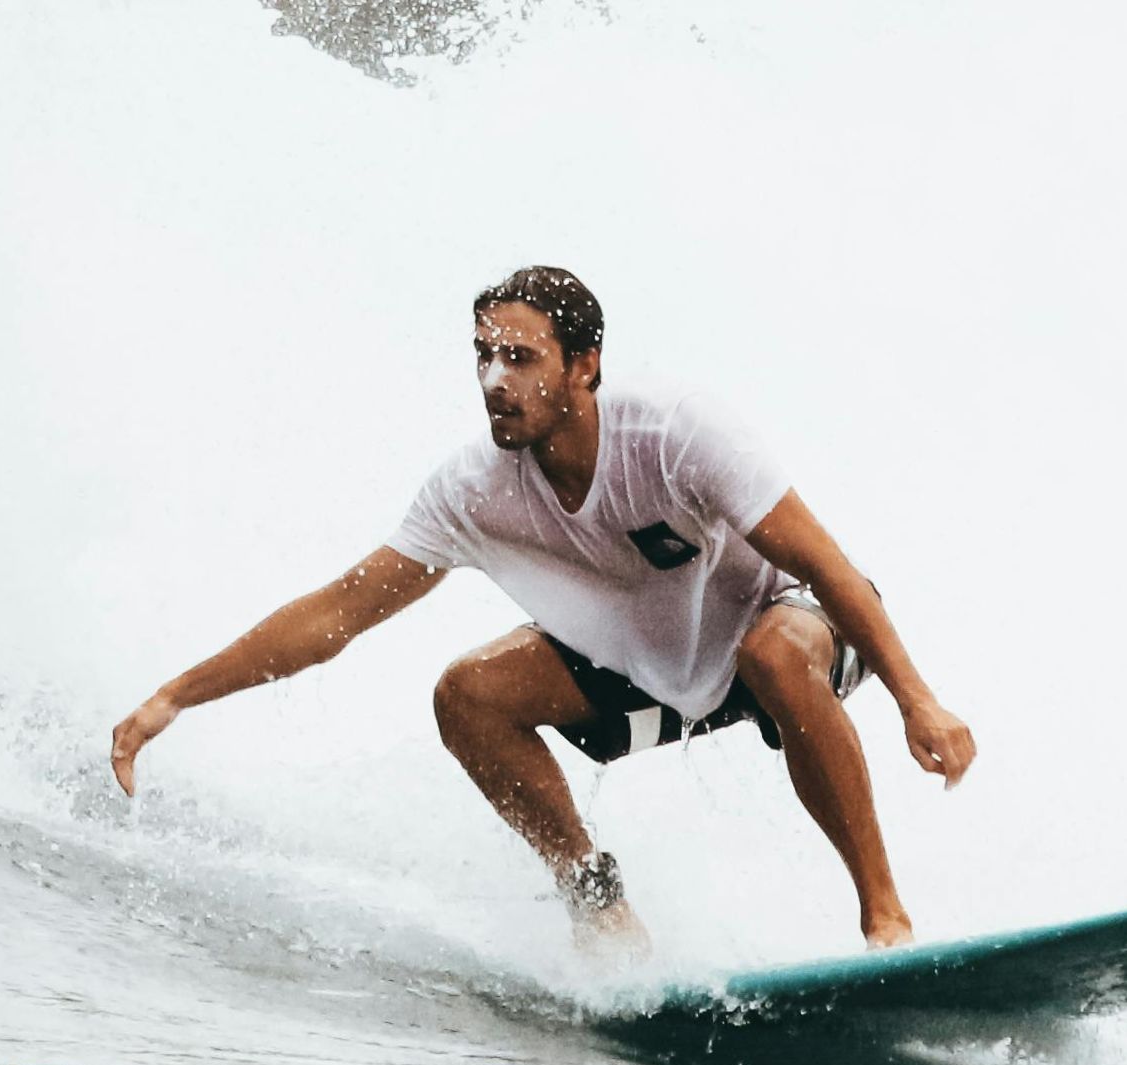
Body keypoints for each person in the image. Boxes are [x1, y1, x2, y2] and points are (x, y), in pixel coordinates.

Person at [111, 265, 976, 956]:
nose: (495, 380)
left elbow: (826, 566)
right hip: (661, 673)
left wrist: (917, 700)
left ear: (584, 366)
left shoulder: (673, 433)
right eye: (483, 356)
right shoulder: (472, 490)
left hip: (791, 619)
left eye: (520, 358)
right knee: (468, 695)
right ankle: (598, 908)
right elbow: (335, 614)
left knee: (775, 655)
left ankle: (884, 920)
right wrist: (174, 697)